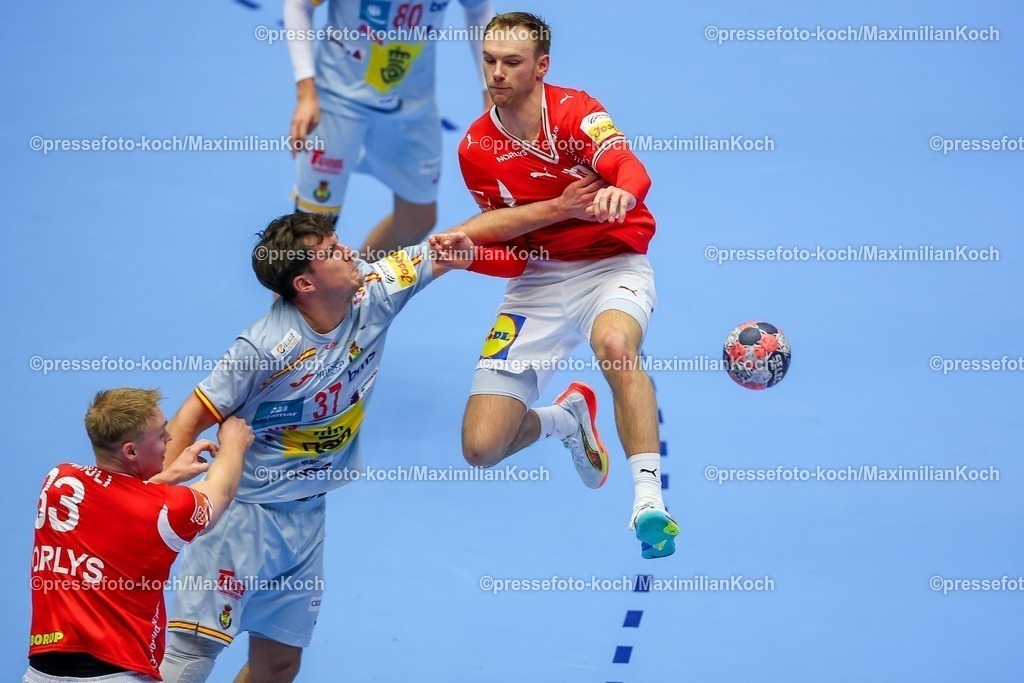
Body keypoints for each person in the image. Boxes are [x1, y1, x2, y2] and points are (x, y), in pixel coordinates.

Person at [159, 212, 484, 683]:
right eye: (332, 251)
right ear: (305, 283)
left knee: (281, 663)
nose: (349, 250)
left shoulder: (372, 293)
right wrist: (158, 504)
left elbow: (458, 239)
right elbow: (190, 416)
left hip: (307, 519)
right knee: (191, 657)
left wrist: (561, 210)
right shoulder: (264, 347)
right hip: (243, 515)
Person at [433, 11, 679, 559]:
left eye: (512, 63)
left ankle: (647, 501)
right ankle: (565, 419)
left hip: (611, 263)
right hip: (538, 282)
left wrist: (623, 195)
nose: (497, 73)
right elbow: (514, 259)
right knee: (481, 447)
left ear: (541, 67)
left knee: (615, 346)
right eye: (490, 61)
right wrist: (469, 258)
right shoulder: (477, 148)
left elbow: (630, 168)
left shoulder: (576, 113)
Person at [25, 388, 252, 682]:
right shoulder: (170, 510)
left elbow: (117, 510)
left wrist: (164, 479)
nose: (170, 439)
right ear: (130, 451)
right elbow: (221, 490)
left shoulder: (59, 480)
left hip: (41, 673)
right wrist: (234, 442)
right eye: (161, 435)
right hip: (119, 673)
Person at [284, 0, 495, 256]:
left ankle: (356, 288)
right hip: (338, 101)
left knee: (419, 218)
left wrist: (489, 92)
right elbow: (300, 4)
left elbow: (478, 8)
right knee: (311, 235)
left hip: (413, 105)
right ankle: (293, 295)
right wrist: (306, 91)